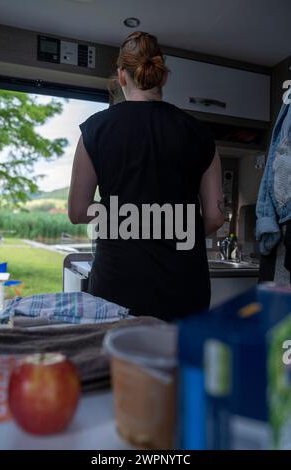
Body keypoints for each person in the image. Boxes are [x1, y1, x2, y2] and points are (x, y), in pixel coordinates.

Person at [68, 31, 224, 321]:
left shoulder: (95, 130)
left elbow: (78, 211)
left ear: (121, 76)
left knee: (117, 366)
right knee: (177, 365)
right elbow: (215, 217)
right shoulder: (200, 135)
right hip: (184, 288)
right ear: (163, 77)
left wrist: (130, 218)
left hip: (117, 286)